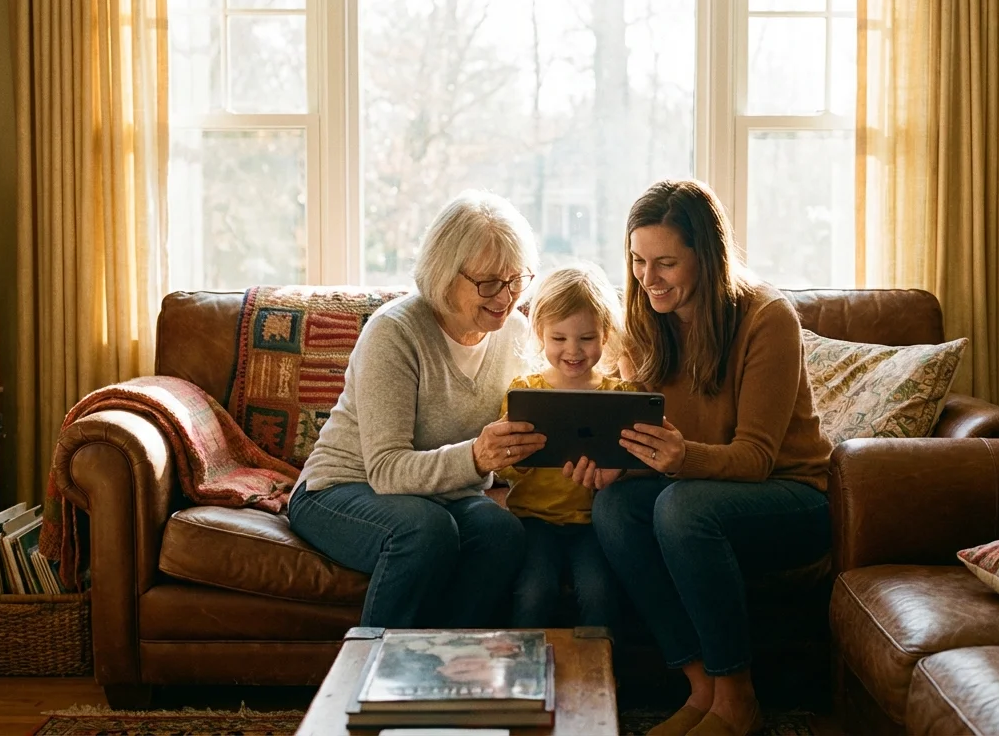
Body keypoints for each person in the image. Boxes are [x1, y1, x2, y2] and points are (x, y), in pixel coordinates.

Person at [567, 180, 834, 736]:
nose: (648, 279)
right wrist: (621, 462)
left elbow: (756, 458)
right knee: (615, 506)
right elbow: (659, 450)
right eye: (638, 261)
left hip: (790, 499)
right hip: (697, 490)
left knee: (682, 508)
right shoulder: (645, 320)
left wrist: (676, 459)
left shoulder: (767, 319)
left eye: (665, 262)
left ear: (706, 258)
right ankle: (701, 688)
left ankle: (738, 699)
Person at [288, 190, 548, 629]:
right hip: (340, 488)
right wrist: (476, 457)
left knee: (501, 532)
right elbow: (387, 470)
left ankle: (452, 668)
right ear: (445, 275)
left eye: (515, 280)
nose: (505, 297)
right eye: (488, 282)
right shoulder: (394, 332)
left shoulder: (514, 332)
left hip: (440, 496)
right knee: (425, 531)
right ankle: (368, 685)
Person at [494, 264, 636, 634]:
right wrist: (519, 463)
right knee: (533, 593)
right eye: (559, 339)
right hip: (533, 520)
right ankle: (521, 676)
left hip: (592, 525)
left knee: (599, 593)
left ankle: (600, 679)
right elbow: (504, 466)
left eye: (586, 338)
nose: (572, 351)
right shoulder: (524, 391)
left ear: (605, 335)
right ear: (540, 333)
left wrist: (617, 472)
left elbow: (634, 464)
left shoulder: (619, 396)